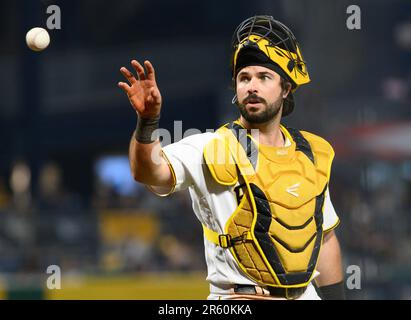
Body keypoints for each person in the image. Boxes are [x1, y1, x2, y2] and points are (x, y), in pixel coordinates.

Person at [118, 15, 345, 300]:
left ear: (286, 88)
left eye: (264, 77)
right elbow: (148, 172)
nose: (252, 86)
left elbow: (324, 238)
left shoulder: (310, 152)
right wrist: (148, 121)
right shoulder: (211, 146)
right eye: (244, 78)